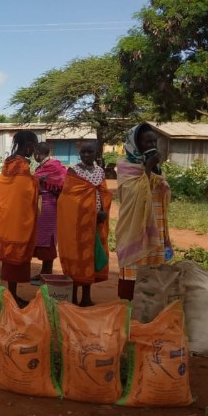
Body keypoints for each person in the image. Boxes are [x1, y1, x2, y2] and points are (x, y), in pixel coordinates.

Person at [115, 123, 172, 300]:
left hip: (155, 225)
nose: (152, 146)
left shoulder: (156, 168)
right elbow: (133, 193)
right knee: (133, 270)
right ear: (136, 143)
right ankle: (129, 312)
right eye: (148, 142)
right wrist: (147, 168)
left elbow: (160, 193)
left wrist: (154, 171)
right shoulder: (125, 165)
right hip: (135, 227)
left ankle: (147, 311)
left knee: (153, 272)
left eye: (154, 141)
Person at [57, 141, 113, 306]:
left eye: (90, 152)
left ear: (97, 153)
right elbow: (68, 199)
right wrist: (88, 214)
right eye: (83, 153)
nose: (86, 155)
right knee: (78, 256)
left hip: (96, 222)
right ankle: (73, 296)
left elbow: (103, 193)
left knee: (91, 257)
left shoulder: (100, 171)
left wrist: (102, 212)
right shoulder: (74, 171)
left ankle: (86, 297)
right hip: (78, 223)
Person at [0, 130, 40, 307]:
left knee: (11, 261)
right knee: (14, 260)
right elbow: (23, 190)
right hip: (17, 219)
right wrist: (37, 182)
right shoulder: (21, 165)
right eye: (33, 146)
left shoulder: (9, 163)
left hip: (8, 217)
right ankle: (11, 296)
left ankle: (11, 294)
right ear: (29, 146)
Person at [31, 143, 67, 285]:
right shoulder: (40, 167)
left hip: (49, 205)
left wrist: (43, 182)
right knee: (41, 238)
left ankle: (47, 273)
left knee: (48, 239)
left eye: (35, 153)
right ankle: (43, 273)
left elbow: (63, 183)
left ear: (38, 153)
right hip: (40, 204)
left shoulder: (54, 166)